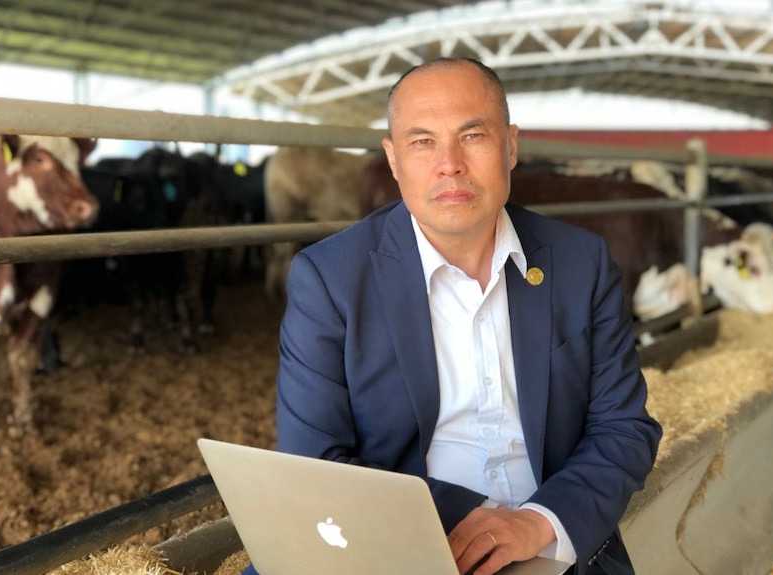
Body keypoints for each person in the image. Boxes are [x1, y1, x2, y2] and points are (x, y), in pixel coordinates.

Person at [270, 58, 662, 575]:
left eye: (472, 135)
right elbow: (313, 461)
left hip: (552, 543)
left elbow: (624, 427)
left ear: (511, 146)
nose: (449, 163)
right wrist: (477, 522)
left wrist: (540, 521)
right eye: (422, 141)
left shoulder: (581, 262)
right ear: (392, 160)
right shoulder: (330, 278)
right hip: (403, 546)